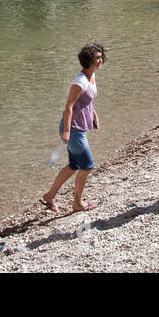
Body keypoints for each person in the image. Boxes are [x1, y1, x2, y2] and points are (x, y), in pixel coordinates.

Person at [41, 44, 105, 213]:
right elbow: (69, 106)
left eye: (101, 56)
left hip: (80, 127)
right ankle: (77, 203)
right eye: (97, 58)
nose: (101, 60)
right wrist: (66, 132)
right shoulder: (80, 81)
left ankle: (49, 195)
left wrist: (94, 115)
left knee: (75, 164)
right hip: (74, 129)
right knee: (87, 165)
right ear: (88, 60)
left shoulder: (91, 77)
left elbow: (87, 101)